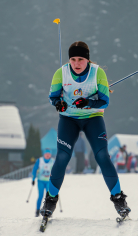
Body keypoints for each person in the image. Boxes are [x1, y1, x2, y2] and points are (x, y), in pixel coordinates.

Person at [41, 41, 131, 218]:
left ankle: (119, 199)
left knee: (102, 156)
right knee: (62, 157)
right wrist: (58, 103)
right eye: (73, 59)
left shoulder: (98, 73)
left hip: (93, 118)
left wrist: (88, 102)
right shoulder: (61, 73)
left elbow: (105, 101)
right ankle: (50, 200)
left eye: (80, 59)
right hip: (69, 119)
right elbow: (53, 97)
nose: (76, 63)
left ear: (88, 60)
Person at [31, 149, 55, 217]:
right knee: (40, 196)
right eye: (46, 154)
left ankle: (48, 211)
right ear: (44, 154)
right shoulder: (40, 160)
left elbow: (56, 170)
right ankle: (37, 211)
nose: (47, 156)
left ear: (50, 155)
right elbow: (34, 169)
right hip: (40, 181)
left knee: (49, 196)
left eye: (49, 154)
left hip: (49, 182)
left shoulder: (53, 161)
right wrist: (33, 179)